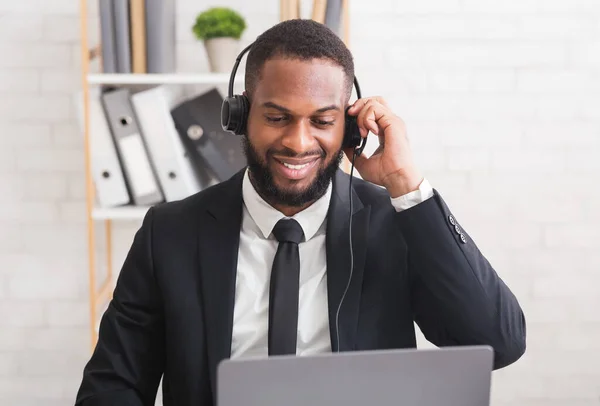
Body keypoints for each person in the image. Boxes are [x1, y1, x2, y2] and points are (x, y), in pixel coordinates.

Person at [74, 19, 526, 406]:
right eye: (276, 117)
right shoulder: (168, 234)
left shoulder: (395, 223)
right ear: (239, 116)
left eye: (322, 121)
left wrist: (406, 186)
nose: (299, 141)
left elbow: (498, 342)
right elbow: (112, 389)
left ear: (348, 126)